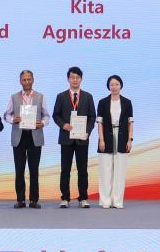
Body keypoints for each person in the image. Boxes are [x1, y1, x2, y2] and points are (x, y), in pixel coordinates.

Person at [3, 70, 50, 209]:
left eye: (29, 79)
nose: (26, 82)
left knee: (34, 170)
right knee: (19, 169)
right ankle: (20, 200)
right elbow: (6, 115)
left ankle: (34, 200)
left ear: (33, 80)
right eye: (24, 79)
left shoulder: (40, 96)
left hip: (35, 136)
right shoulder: (14, 97)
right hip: (19, 136)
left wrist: (43, 123)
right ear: (20, 81)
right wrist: (13, 119)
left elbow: (46, 115)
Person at [52, 66, 97, 208]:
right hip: (66, 138)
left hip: (82, 138)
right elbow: (55, 115)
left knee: (82, 170)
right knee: (65, 169)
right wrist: (63, 125)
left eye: (77, 77)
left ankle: (83, 198)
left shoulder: (88, 96)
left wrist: (87, 131)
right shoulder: (61, 96)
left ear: (81, 79)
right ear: (68, 79)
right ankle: (65, 198)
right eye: (72, 77)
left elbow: (92, 117)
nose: (75, 80)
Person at [97, 74, 134, 209]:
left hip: (122, 137)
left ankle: (117, 201)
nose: (114, 87)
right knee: (105, 170)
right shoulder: (102, 102)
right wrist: (101, 139)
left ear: (121, 85)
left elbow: (130, 122)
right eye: (112, 84)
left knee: (120, 170)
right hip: (106, 137)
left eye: (117, 84)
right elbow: (99, 122)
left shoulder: (127, 102)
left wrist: (130, 139)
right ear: (108, 86)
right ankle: (105, 201)